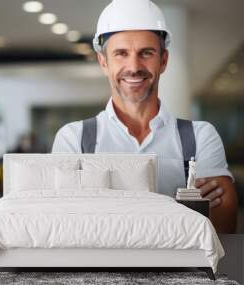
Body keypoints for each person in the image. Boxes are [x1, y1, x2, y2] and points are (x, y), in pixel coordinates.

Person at [52, 0, 238, 233]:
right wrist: (183, 208)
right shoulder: (73, 139)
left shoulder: (201, 136)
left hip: (184, 271)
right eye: (121, 53)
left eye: (146, 53)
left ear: (163, 60)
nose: (134, 66)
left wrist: (101, 209)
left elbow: (222, 228)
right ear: (103, 62)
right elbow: (65, 227)